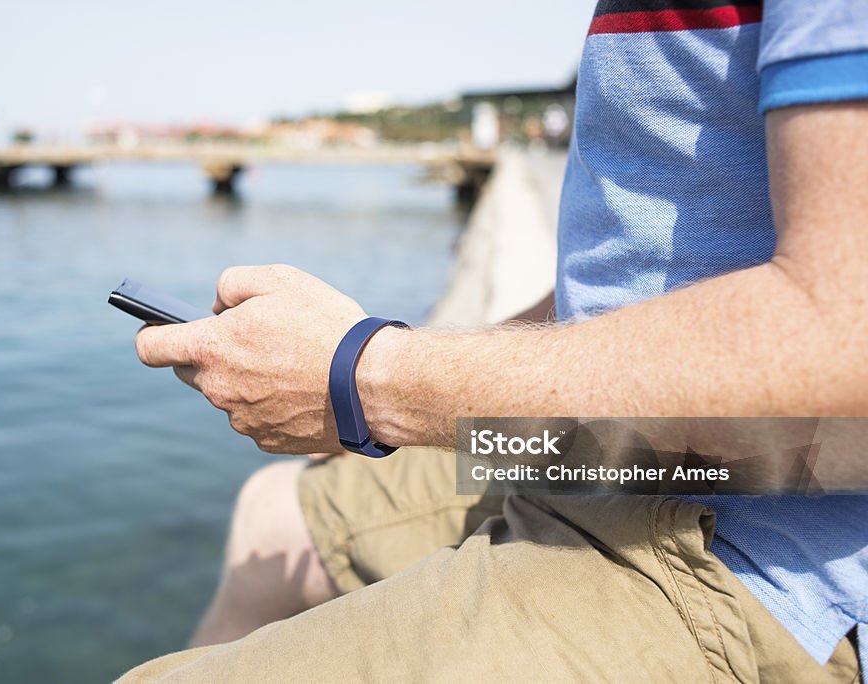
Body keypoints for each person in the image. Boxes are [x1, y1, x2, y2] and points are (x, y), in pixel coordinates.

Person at [122, 0, 868, 680]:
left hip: (750, 552)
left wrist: (367, 382)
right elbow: (616, 279)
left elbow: (846, 339)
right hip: (597, 458)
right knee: (275, 512)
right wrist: (370, 385)